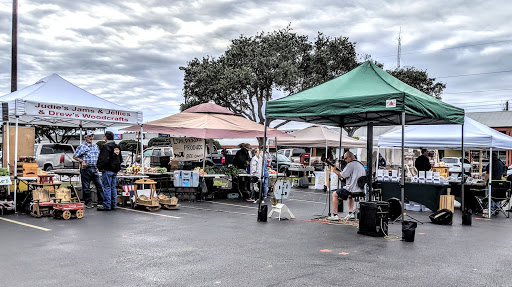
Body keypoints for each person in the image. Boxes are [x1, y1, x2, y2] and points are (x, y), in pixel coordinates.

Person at [329, 151, 366, 221]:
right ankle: (350, 213)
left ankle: (335, 215)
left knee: (334, 194)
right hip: (360, 189)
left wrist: (334, 170)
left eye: (345, 159)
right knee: (349, 196)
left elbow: (342, 175)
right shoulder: (360, 164)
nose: (345, 161)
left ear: (349, 157)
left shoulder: (351, 164)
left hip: (352, 188)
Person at [73, 130, 104, 208]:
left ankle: (101, 202)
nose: (91, 138)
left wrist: (98, 166)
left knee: (99, 185)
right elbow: (75, 156)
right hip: (86, 169)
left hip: (94, 168)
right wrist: (82, 161)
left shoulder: (95, 146)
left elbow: (98, 157)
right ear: (85, 137)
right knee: (86, 187)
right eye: (89, 136)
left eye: (92, 136)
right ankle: (88, 202)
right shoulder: (82, 146)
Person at [97, 131, 123, 211]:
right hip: (115, 170)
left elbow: (103, 159)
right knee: (113, 187)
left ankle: (107, 205)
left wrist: (99, 167)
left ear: (106, 137)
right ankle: (113, 204)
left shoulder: (106, 146)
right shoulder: (117, 146)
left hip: (107, 169)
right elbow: (120, 159)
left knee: (107, 187)